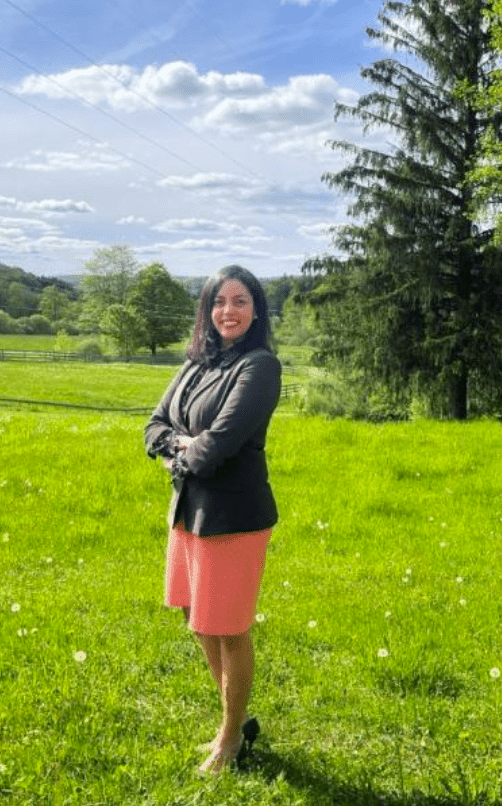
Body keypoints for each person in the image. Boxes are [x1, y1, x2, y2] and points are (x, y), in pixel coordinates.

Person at [144, 265, 281, 774]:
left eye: (240, 301)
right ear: (206, 311)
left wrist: (179, 452)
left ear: (256, 310)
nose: (229, 311)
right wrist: (180, 444)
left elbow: (220, 444)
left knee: (227, 626)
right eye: (219, 301)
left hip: (234, 516)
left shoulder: (259, 366)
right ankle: (236, 717)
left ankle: (230, 738)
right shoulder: (195, 363)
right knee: (194, 615)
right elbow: (153, 425)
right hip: (188, 512)